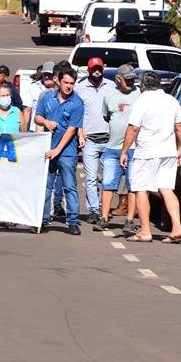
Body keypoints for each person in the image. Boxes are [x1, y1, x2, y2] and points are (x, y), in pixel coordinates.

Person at [119, 71, 181, 243]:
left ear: (142, 86)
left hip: (147, 152)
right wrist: (180, 149)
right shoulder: (171, 100)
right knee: (166, 188)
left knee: (141, 188)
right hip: (168, 152)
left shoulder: (142, 100)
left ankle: (145, 230)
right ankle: (177, 227)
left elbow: (133, 128)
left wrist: (124, 151)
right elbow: (180, 126)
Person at [35, 65, 85, 235]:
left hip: (66, 151)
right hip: (46, 147)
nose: (68, 86)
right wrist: (45, 122)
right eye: (66, 82)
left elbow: (72, 130)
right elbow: (37, 116)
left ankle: (72, 221)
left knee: (69, 186)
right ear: (58, 81)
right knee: (46, 186)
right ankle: (41, 220)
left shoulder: (77, 103)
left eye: (72, 83)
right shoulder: (47, 97)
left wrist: (57, 150)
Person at [95, 64, 141, 233]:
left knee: (132, 186)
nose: (131, 82)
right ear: (118, 79)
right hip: (113, 148)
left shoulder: (139, 94)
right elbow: (107, 117)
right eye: (127, 79)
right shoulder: (109, 96)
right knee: (108, 184)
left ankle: (129, 220)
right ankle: (104, 217)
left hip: (134, 149)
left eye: (132, 79)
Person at [74, 57, 116, 223]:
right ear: (88, 69)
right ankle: (93, 209)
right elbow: (78, 113)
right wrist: (80, 133)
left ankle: (103, 208)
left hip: (109, 139)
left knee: (106, 178)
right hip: (89, 139)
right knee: (90, 178)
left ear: (103, 68)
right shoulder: (80, 88)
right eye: (94, 68)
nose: (97, 71)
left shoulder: (111, 86)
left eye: (99, 68)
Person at [21, 61, 56, 133]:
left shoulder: (60, 88)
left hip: (55, 129)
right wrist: (24, 133)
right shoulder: (33, 87)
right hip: (35, 131)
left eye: (50, 74)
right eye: (45, 74)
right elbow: (27, 111)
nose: (47, 77)